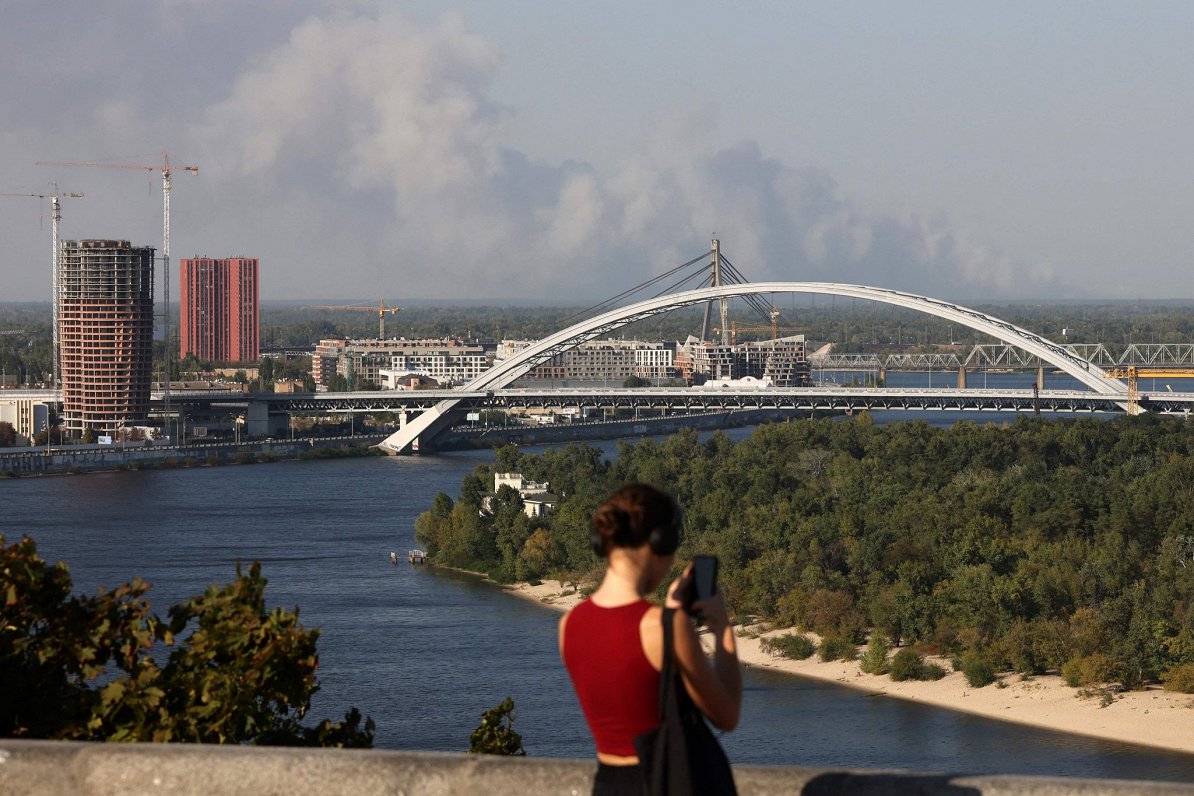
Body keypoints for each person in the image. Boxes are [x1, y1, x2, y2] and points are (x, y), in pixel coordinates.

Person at [559, 483, 742, 795]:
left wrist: (671, 616)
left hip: (609, 784)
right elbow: (726, 715)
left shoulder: (569, 625)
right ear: (661, 542)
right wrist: (722, 628)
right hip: (664, 783)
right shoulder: (662, 627)